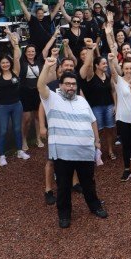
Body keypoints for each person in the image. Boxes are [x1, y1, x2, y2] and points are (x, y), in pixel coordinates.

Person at [37, 58, 107, 228]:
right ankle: (64, 214)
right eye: (67, 84)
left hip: (85, 152)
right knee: (63, 186)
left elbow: (92, 121)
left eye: (73, 84)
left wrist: (97, 141)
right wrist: (47, 66)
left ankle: (95, 206)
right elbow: (40, 85)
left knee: (88, 183)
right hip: (62, 154)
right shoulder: (51, 99)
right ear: (60, 85)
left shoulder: (82, 101)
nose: (70, 87)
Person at [0, 30, 28, 166]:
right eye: (3, 63)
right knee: (3, 130)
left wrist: (12, 37)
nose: (5, 64)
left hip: (17, 105)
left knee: (17, 129)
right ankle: (2, 156)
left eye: (7, 62)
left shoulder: (15, 71)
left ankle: (19, 151)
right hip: (3, 107)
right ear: (0, 65)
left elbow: (17, 56)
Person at [109, 44, 131, 181]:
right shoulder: (118, 81)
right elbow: (112, 72)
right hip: (123, 118)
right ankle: (126, 169)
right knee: (126, 145)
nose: (129, 70)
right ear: (122, 69)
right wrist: (112, 60)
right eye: (126, 68)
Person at [80, 46, 116, 161]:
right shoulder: (91, 76)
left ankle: (110, 150)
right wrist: (91, 49)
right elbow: (88, 64)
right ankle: (96, 152)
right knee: (98, 131)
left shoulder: (108, 76)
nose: (106, 65)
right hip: (96, 107)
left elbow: (113, 91)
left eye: (106, 63)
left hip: (109, 106)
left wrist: (116, 104)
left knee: (110, 129)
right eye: (103, 63)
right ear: (97, 65)